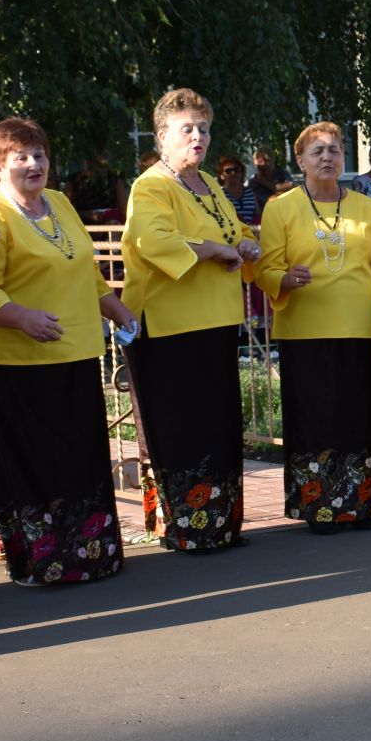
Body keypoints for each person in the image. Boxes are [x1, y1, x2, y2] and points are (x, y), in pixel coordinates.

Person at [0, 117, 135, 585]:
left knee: (79, 456)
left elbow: (86, 269)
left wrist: (117, 309)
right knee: (34, 464)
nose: (34, 164)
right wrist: (22, 317)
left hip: (74, 352)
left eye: (39, 155)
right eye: (21, 157)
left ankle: (90, 552)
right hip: (14, 364)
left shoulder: (57, 203)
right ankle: (43, 562)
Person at [256, 122, 371, 532]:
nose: (327, 157)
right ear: (301, 161)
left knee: (357, 417)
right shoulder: (281, 207)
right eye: (317, 151)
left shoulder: (366, 209)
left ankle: (359, 503)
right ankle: (320, 507)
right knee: (316, 419)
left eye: (334, 150)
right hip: (304, 332)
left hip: (357, 329)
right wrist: (285, 278)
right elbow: (265, 268)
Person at [120, 88, 259, 552]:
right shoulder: (152, 185)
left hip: (214, 321)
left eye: (203, 128)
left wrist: (244, 244)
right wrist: (215, 251)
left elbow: (230, 229)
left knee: (217, 424)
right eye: (187, 129)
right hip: (169, 327)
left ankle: (219, 523)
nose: (198, 137)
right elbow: (153, 242)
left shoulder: (207, 183)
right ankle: (184, 527)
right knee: (181, 428)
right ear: (162, 137)